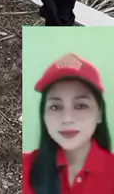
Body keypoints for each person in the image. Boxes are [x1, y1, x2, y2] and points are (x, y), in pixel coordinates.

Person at [23, 53, 114, 193]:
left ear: (99, 114)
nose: (67, 118)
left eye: (81, 106)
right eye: (56, 107)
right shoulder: (25, 166)